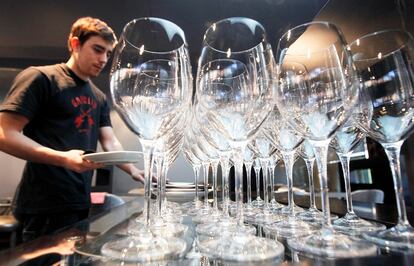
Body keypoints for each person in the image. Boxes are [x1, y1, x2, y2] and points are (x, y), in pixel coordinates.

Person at [0, 17, 145, 242]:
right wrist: (64, 159)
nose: (103, 59)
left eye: (108, 53)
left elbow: (110, 142)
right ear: (75, 44)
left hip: (78, 202)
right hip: (42, 204)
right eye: (97, 50)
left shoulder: (98, 96)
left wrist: (133, 170)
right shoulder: (41, 78)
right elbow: (5, 134)